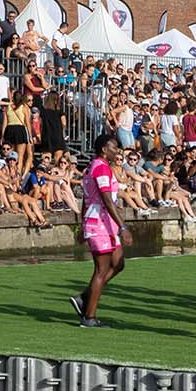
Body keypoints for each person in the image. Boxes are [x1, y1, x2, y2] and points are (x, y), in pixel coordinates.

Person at [72, 134, 129, 328]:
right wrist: (123, 226)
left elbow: (87, 199)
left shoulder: (94, 167)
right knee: (101, 269)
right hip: (100, 223)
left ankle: (86, 297)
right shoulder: (102, 168)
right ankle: (89, 316)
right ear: (104, 149)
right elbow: (105, 199)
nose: (117, 151)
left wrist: (82, 225)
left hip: (103, 222)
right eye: (114, 148)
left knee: (118, 263)